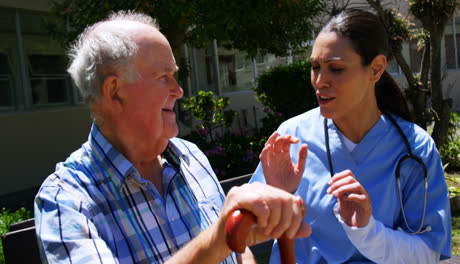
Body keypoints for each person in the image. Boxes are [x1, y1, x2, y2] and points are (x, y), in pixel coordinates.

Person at [34, 11, 311, 264]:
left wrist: (231, 240)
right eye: (163, 77)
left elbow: (238, 252)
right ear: (115, 91)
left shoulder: (191, 156)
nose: (178, 90)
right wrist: (217, 239)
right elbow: (222, 241)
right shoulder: (66, 200)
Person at [250, 8, 451, 263]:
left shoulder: (415, 148)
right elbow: (244, 229)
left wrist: (367, 232)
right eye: (315, 67)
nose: (320, 81)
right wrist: (277, 197)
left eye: (336, 68)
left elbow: (428, 252)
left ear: (376, 69)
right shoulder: (291, 138)